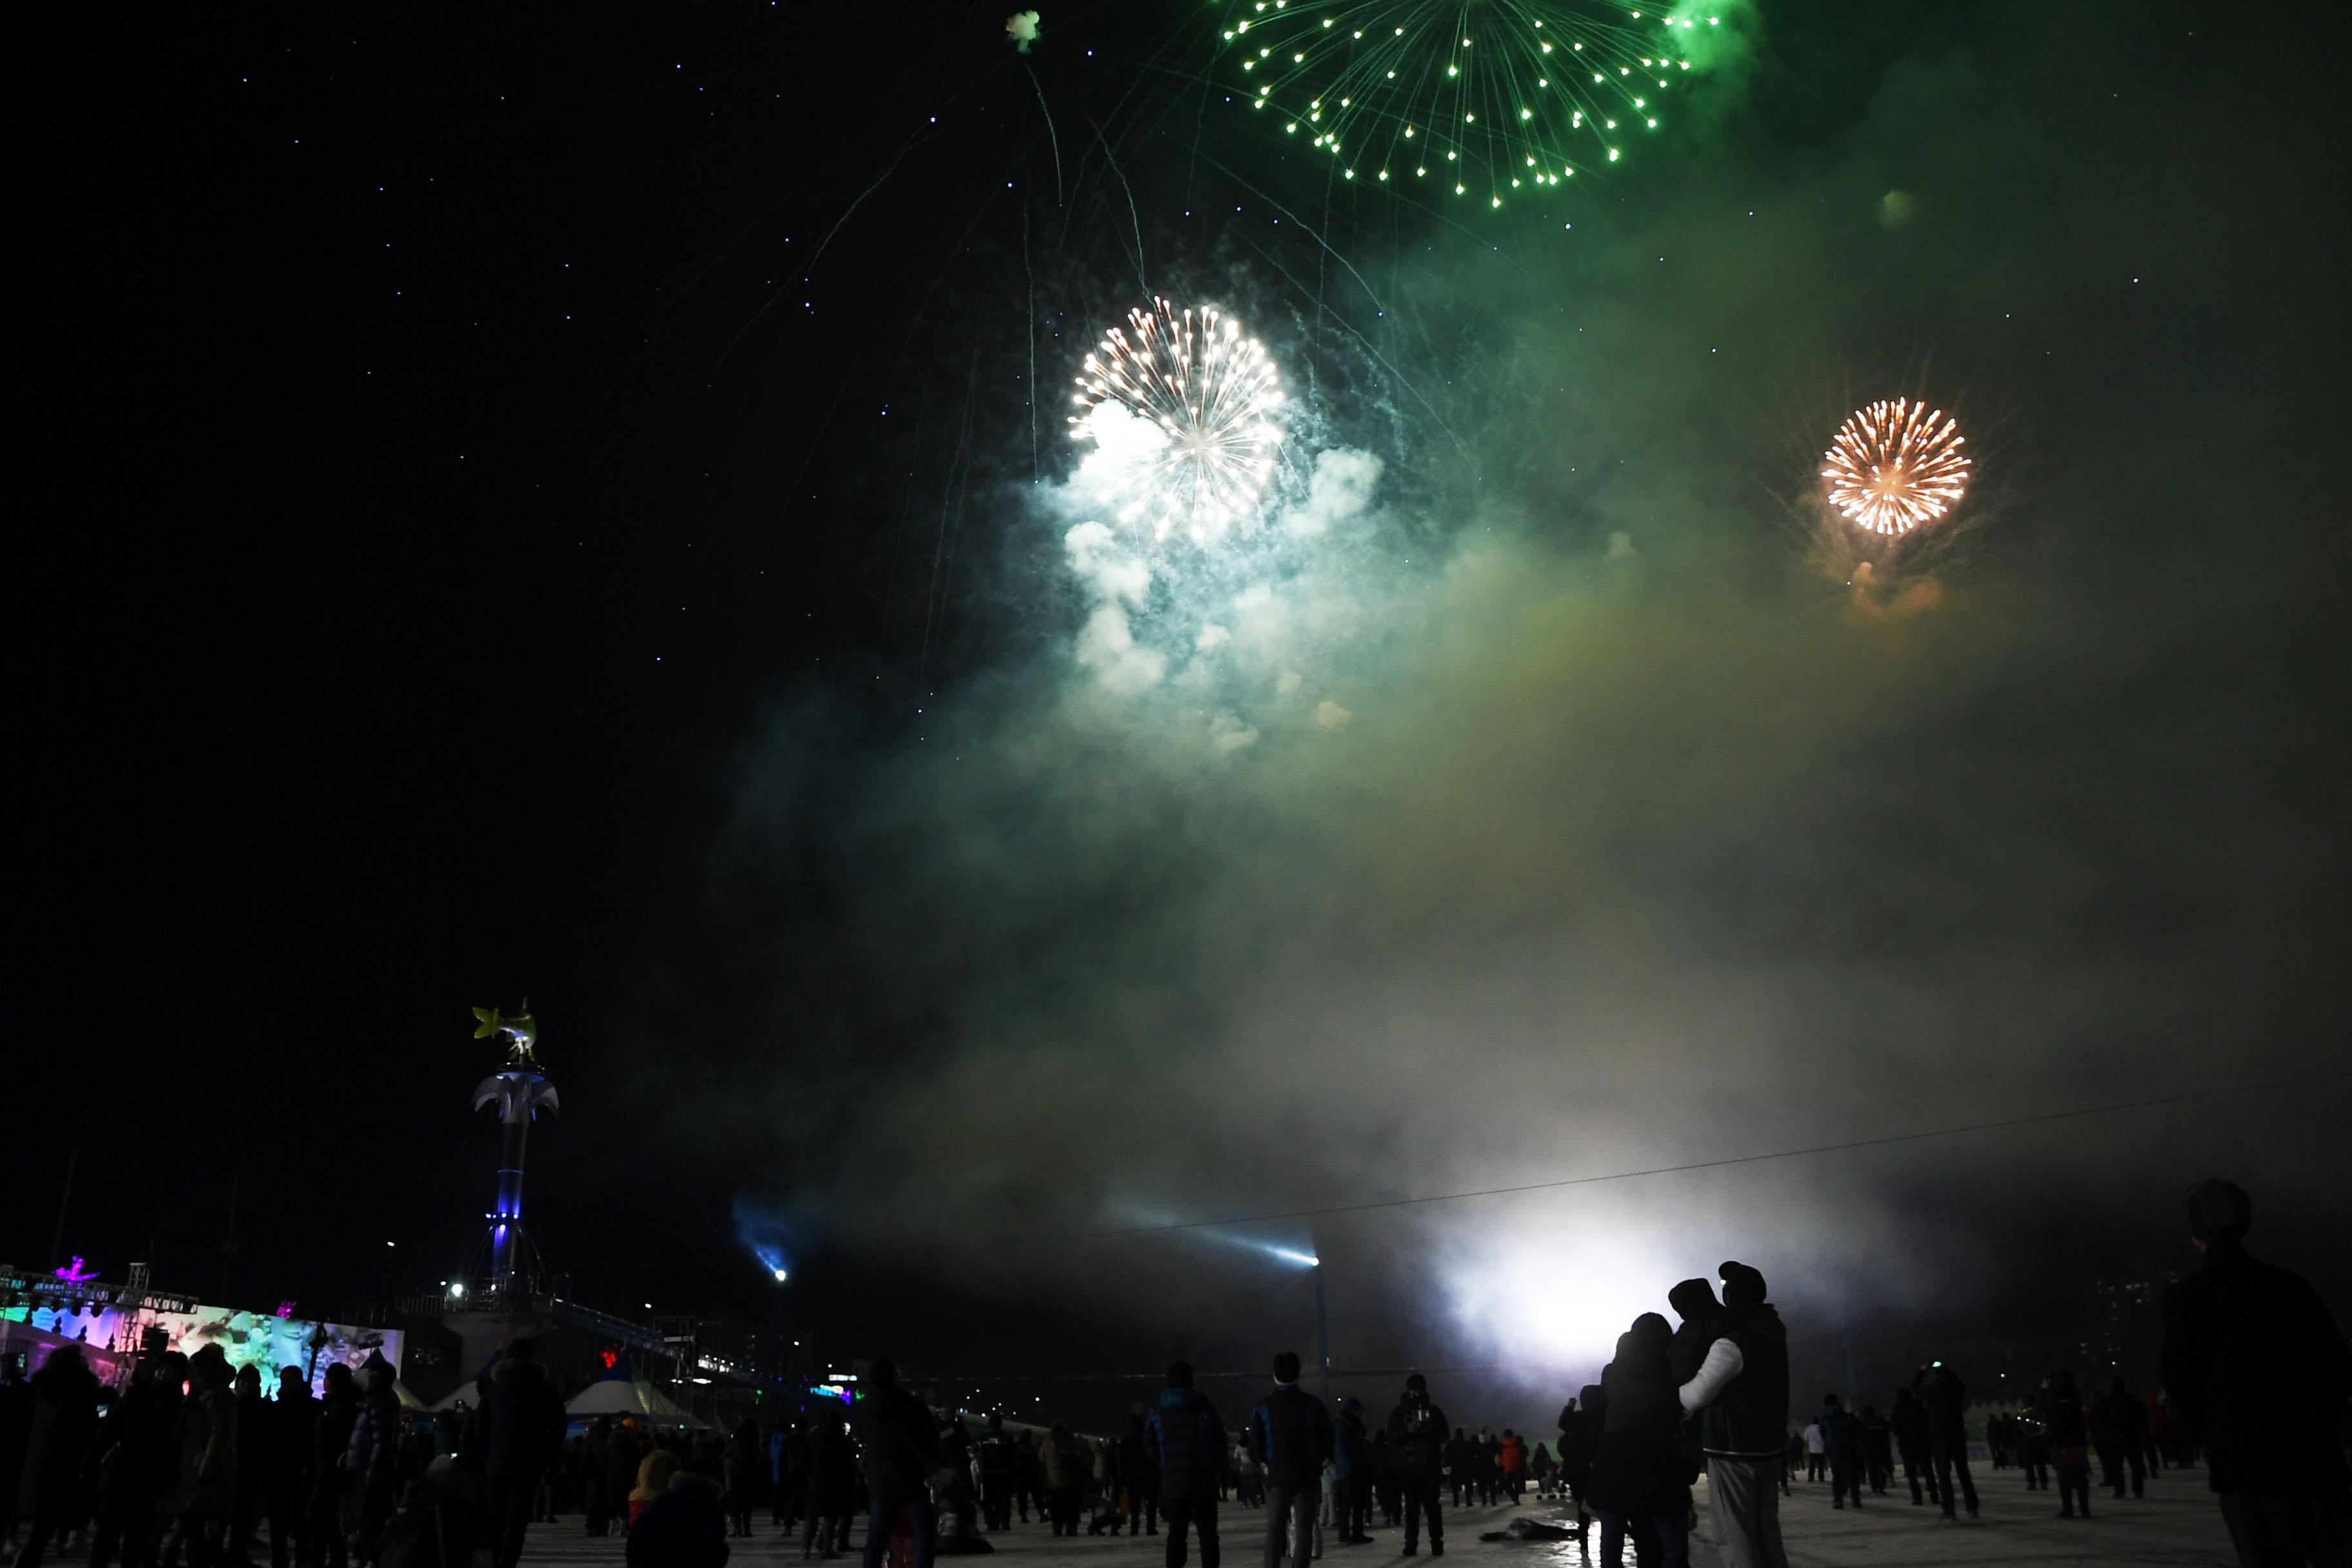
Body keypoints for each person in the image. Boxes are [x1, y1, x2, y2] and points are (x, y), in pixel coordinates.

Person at [2160, 1177, 2352, 1567]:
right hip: (2315, 1460)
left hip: (2247, 1468)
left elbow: (2180, 1384)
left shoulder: (2187, 1298)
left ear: (2198, 1231)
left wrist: (2205, 1434)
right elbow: (2338, 1367)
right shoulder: (2290, 1287)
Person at [1674, 1260, 1788, 1568]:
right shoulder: (1773, 1329)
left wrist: (1670, 1397)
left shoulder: (1731, 1345)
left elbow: (1696, 1394)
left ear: (1729, 1299)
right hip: (1768, 1447)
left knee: (1736, 1536)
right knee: (1766, 1534)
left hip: (1734, 1448)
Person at [1587, 1315, 1689, 1568]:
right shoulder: (1672, 1370)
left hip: (1614, 1462)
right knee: (1671, 1545)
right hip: (1659, 1460)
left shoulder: (1612, 1372)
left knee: (1611, 1547)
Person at [12, 1345, 101, 1568]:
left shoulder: (42, 1391)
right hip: (65, 1470)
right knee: (43, 1533)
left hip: (38, 1465)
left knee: (40, 1531)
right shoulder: (81, 1394)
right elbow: (87, 1432)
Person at [479, 1340, 565, 1568]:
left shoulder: (493, 1391)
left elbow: (480, 1427)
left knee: (495, 1520)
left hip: (497, 1463)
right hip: (529, 1464)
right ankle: (509, 1562)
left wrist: (493, 1448)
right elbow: (559, 1429)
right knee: (517, 1522)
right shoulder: (546, 1392)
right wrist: (548, 1454)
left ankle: (494, 1560)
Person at [848, 1360, 941, 1568]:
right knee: (924, 1534)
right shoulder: (913, 1405)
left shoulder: (863, 1407)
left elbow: (859, 1436)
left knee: (876, 1538)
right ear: (895, 1377)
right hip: (911, 1477)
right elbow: (930, 1439)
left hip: (880, 1479)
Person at [1248, 1352, 1331, 1568]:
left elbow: (1255, 1443)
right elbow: (1327, 1437)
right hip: (1307, 1476)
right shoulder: (1313, 1405)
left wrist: (1265, 1464)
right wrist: (1318, 1461)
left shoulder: (1263, 1407)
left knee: (1275, 1528)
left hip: (1276, 1477)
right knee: (1304, 1528)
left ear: (1274, 1374)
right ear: (1298, 1374)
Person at [1146, 1362, 1228, 1568]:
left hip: (1173, 1482)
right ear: (1191, 1381)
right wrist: (1217, 1467)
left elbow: (1149, 1445)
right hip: (1203, 1481)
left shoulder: (1158, 1413)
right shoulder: (1204, 1408)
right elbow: (1219, 1438)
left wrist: (1166, 1464)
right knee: (1208, 1536)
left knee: (1176, 1534)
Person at [175, 1347, 242, 1568]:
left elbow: (219, 1434)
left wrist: (206, 1467)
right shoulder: (210, 1395)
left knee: (191, 1525)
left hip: (205, 1474)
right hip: (203, 1470)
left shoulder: (217, 1396)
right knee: (193, 1528)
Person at [1384, 1375, 1447, 1558]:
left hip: (1429, 1466)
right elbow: (1391, 1435)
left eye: (1419, 1389)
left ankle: (1436, 1542)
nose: (1417, 1393)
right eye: (1414, 1389)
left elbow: (1444, 1434)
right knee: (1412, 1507)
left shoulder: (1433, 1411)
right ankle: (1411, 1543)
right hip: (1409, 1467)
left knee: (1432, 1507)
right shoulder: (1399, 1412)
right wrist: (1407, 1431)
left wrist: (1431, 1431)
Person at [346, 1364, 402, 1563]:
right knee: (370, 1514)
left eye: (372, 1373)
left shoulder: (380, 1401)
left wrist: (374, 1469)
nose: (367, 1377)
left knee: (370, 1514)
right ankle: (365, 1552)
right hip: (368, 1466)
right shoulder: (377, 1400)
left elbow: (381, 1440)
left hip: (369, 1469)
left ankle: (368, 1554)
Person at [307, 1363, 359, 1568]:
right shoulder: (337, 1405)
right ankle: (333, 1559)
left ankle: (326, 1558)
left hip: (329, 1469)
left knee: (317, 1516)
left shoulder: (339, 1407)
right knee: (324, 1517)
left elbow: (334, 1440)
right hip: (327, 1467)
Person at [265, 1366, 318, 1568]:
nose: (288, 1384)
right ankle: (280, 1558)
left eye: (292, 1380)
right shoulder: (277, 1408)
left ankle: (301, 1559)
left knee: (300, 1520)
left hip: (299, 1470)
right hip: (279, 1469)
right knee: (279, 1520)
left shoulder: (310, 1408)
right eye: (285, 1380)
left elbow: (312, 1440)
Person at [1911, 1362, 1977, 1522]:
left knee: (1944, 1476)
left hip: (1940, 1437)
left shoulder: (1932, 1392)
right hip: (1957, 1435)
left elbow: (1914, 1388)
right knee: (1964, 1474)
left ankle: (1949, 1511)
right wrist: (1946, 1369)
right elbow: (1962, 1385)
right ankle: (1972, 1508)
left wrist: (1922, 1371)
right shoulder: (1955, 1392)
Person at [627, 1469, 730, 1568]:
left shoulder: (661, 1500)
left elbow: (637, 1533)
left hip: (649, 1560)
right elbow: (716, 1537)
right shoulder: (710, 1504)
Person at [799, 1410, 855, 1560]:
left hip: (816, 1480)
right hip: (835, 1481)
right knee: (831, 1517)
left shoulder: (814, 1435)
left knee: (812, 1516)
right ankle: (827, 1548)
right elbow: (848, 1459)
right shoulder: (841, 1437)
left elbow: (805, 1458)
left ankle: (806, 1548)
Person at [2038, 1372, 2092, 1520]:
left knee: (2064, 1479)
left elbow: (2043, 1410)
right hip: (2077, 1442)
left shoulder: (2053, 1398)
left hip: (2061, 1443)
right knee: (2081, 1479)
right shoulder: (2075, 1397)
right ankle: (2084, 1509)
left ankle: (2068, 1509)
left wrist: (2045, 1390)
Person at [1332, 1401, 1372, 1544]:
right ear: (1353, 1411)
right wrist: (1347, 1468)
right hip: (1349, 1471)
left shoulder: (1352, 1426)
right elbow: (1340, 1449)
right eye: (1359, 1411)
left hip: (1356, 1469)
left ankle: (1357, 1533)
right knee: (1347, 1504)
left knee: (1358, 1503)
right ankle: (1345, 1535)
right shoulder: (1343, 1426)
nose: (1361, 1414)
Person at [1886, 1387, 1933, 1507]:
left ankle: (1917, 1498)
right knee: (1928, 1470)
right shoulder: (1918, 1405)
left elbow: (1894, 1425)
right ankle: (1934, 1495)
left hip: (1906, 1443)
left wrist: (1901, 1435)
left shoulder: (1898, 1408)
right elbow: (1927, 1421)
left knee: (1911, 1473)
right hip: (1922, 1442)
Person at [1041, 1424, 1086, 1538]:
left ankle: (1057, 1528)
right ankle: (1071, 1526)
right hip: (1070, 1480)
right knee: (1071, 1505)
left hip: (1054, 1481)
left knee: (1056, 1506)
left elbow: (1041, 1458)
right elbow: (1080, 1457)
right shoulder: (1070, 1441)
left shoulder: (1047, 1442)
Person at [1817, 1397, 1861, 1511]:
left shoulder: (1825, 1418)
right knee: (1852, 1475)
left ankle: (1838, 1500)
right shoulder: (1848, 1417)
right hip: (1849, 1448)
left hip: (1834, 1449)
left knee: (1836, 1475)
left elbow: (1823, 1433)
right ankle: (1856, 1500)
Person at [974, 1415, 1015, 1534]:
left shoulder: (983, 1438)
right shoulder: (1007, 1437)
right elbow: (1013, 1455)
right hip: (1004, 1472)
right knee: (1004, 1499)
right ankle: (1004, 1522)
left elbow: (978, 1455)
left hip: (988, 1473)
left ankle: (991, 1522)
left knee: (989, 1500)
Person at [1121, 1412, 1160, 1536]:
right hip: (1149, 1474)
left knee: (1135, 1504)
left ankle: (1134, 1527)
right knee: (1151, 1502)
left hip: (1133, 1475)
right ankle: (1151, 1527)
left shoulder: (1127, 1440)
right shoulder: (1148, 1437)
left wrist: (1122, 1478)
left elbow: (1123, 1461)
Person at [725, 1420, 762, 1538]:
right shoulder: (755, 1443)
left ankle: (737, 1528)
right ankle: (747, 1528)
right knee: (747, 1504)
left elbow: (727, 1453)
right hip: (750, 1475)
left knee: (736, 1503)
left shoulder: (737, 1441)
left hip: (736, 1475)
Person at [1857, 1407, 1891, 1498]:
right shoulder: (1881, 1421)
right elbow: (1886, 1434)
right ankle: (1881, 1488)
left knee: (1871, 1469)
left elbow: (1860, 1436)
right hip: (1881, 1448)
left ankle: (1874, 1488)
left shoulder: (1863, 1423)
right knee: (1881, 1469)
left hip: (1868, 1449)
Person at [1798, 1420, 1823, 1485]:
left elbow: (1806, 1438)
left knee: (1812, 1465)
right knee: (1821, 1465)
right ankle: (1821, 1478)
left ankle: (1811, 1478)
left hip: (1812, 1449)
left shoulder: (1809, 1429)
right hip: (1821, 1450)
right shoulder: (1821, 1428)